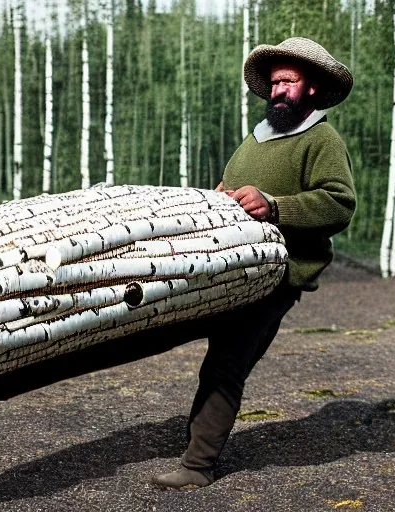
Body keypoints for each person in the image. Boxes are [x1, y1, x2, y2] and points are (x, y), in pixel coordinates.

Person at [151, 37, 357, 489]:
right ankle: (195, 451)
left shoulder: (323, 139)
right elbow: (231, 185)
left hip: (275, 275)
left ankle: (197, 466)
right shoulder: (257, 137)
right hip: (228, 269)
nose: (279, 90)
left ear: (314, 89)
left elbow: (339, 204)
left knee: (226, 363)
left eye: (290, 81)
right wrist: (221, 197)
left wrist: (275, 206)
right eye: (276, 82)